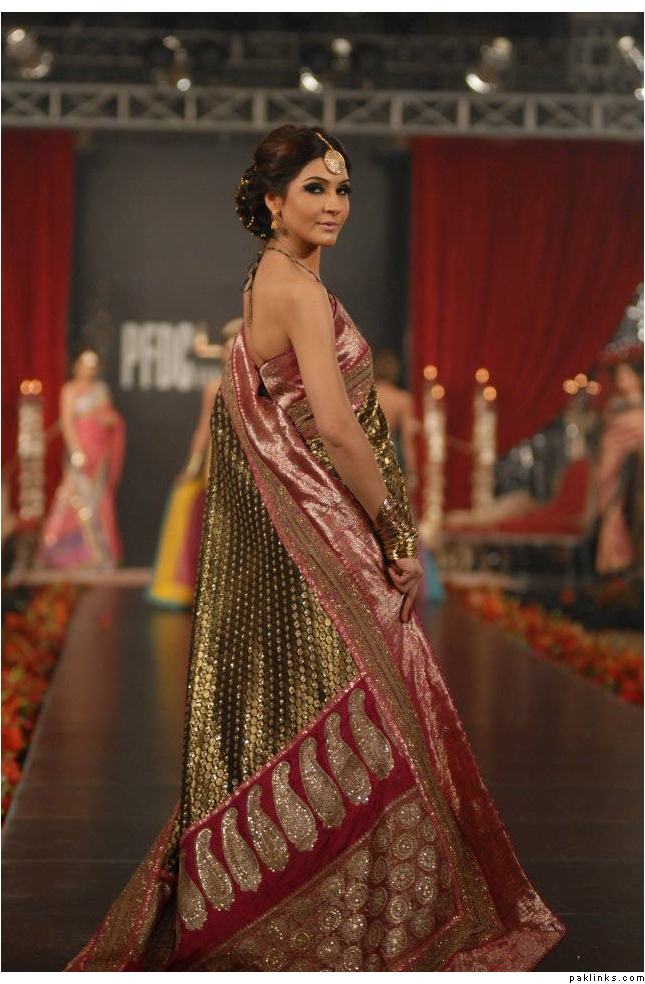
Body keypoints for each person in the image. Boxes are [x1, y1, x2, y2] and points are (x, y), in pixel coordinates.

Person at [65, 126, 565, 972]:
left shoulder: (270, 279)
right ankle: (355, 922)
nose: (334, 204)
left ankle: (319, 912)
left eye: (342, 189)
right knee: (384, 711)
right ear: (272, 200)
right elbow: (333, 426)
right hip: (326, 529)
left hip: (305, 531)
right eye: (314, 188)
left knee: (320, 712)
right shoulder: (294, 289)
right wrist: (394, 529)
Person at [147, 318, 243, 609]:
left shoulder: (257, 385)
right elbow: (203, 430)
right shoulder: (214, 387)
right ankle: (213, 590)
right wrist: (191, 468)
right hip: (219, 459)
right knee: (216, 520)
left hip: (249, 459)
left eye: (235, 349)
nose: (229, 355)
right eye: (225, 349)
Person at [38, 350, 124, 570]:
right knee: (75, 500)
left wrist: (108, 421)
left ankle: (99, 554)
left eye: (93, 366)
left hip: (99, 453)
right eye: (85, 365)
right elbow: (67, 423)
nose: (89, 370)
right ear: (76, 366)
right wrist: (77, 451)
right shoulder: (69, 390)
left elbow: (109, 417)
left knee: (97, 501)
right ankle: (70, 554)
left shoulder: (101, 390)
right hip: (81, 451)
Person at [374, 349, 444, 603]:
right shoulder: (402, 399)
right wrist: (412, 475)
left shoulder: (366, 395)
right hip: (390, 465)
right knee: (401, 523)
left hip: (365, 463)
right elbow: (408, 443)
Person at [595, 360, 643, 574]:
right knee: (612, 508)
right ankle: (615, 559)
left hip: (637, 482)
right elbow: (609, 445)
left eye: (627, 375)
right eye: (619, 376)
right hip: (616, 480)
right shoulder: (615, 406)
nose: (622, 381)